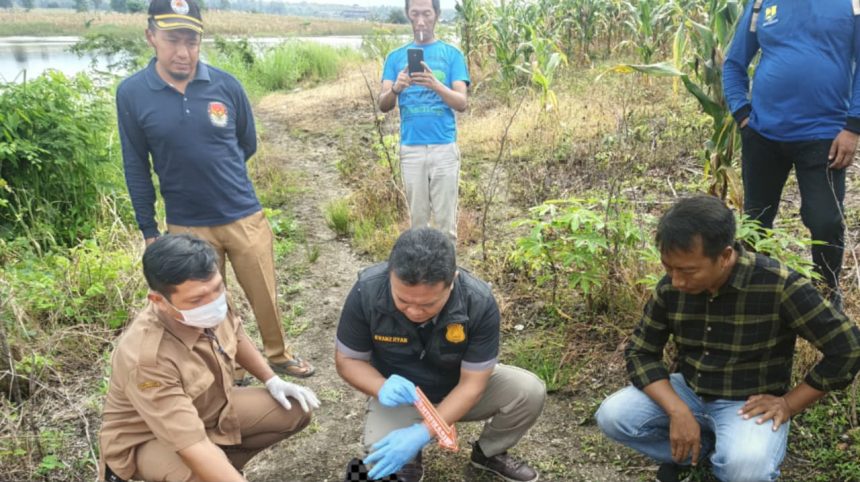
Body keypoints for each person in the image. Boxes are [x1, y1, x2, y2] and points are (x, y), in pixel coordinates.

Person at [595, 196, 860, 482]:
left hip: (747, 405)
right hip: (689, 389)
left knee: (747, 469)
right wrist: (677, 410)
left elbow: (848, 348)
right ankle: (702, 450)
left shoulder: (779, 285)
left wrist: (788, 404)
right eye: (668, 268)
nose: (676, 281)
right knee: (613, 416)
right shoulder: (671, 287)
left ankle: (722, 460)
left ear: (724, 256)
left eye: (688, 271)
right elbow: (641, 352)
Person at [116, 0, 314, 379]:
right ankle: (230, 364)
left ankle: (277, 353)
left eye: (191, 41)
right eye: (173, 40)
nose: (183, 52)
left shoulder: (226, 85)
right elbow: (135, 166)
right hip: (186, 224)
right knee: (208, 302)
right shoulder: (133, 94)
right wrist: (149, 231)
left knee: (264, 294)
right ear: (150, 37)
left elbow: (246, 143)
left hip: (243, 213)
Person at [98, 234, 319, 482]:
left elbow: (235, 334)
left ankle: (222, 467)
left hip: (208, 408)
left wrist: (272, 380)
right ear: (159, 301)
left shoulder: (212, 294)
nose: (213, 302)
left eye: (217, 288)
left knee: (296, 409)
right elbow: (191, 443)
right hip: (150, 436)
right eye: (196, 300)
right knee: (201, 471)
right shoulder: (147, 358)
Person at [335, 228, 544, 482]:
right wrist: (381, 386)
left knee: (528, 391)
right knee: (380, 467)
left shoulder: (478, 302)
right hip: (403, 398)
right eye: (402, 300)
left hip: (457, 389)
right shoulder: (366, 292)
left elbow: (472, 385)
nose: (414, 311)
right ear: (390, 274)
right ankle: (409, 459)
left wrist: (423, 432)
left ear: (452, 280)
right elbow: (348, 360)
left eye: (428, 304)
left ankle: (489, 453)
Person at [722, 0, 860, 308]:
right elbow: (733, 63)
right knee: (756, 221)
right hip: (763, 136)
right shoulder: (761, 4)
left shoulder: (852, 5)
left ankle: (826, 299)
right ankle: (757, 299)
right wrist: (742, 114)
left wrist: (853, 127)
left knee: (825, 222)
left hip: (825, 136)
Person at [379, 0, 470, 242]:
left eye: (426, 14)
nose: (421, 20)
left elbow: (461, 102)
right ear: (408, 15)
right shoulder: (395, 58)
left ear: (437, 15)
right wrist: (396, 88)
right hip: (411, 148)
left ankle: (447, 277)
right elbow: (383, 104)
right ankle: (421, 277)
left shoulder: (452, 55)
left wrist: (435, 84)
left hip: (443, 147)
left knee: (445, 226)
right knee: (417, 225)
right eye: (415, 14)